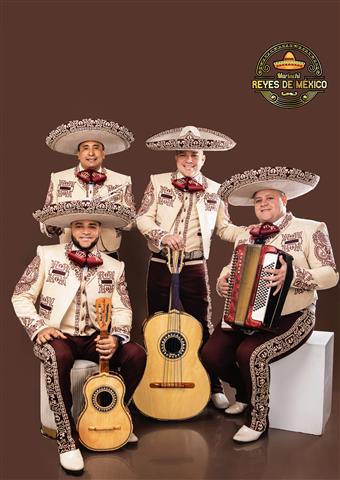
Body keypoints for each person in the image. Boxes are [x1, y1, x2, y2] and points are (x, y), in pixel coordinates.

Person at [200, 166, 338, 443]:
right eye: (258, 200)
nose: (263, 204)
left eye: (270, 199)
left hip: (293, 314)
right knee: (211, 355)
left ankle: (258, 418)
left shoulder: (311, 229)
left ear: (283, 201)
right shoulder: (246, 235)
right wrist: (222, 282)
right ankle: (242, 393)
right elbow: (231, 269)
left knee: (252, 354)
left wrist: (294, 275)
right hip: (245, 313)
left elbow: (331, 274)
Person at [12, 200, 146, 473]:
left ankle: (117, 413)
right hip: (58, 336)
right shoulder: (47, 255)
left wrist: (117, 338)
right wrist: (38, 326)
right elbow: (21, 295)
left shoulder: (113, 266)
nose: (86, 231)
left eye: (92, 226)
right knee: (56, 354)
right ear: (70, 228)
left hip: (96, 337)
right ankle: (67, 438)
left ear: (100, 230)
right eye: (79, 225)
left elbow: (123, 308)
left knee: (136, 354)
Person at [136, 125, 245, 409]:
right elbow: (142, 219)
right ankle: (152, 381)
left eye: (194, 155)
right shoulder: (157, 182)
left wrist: (249, 232)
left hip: (196, 264)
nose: (189, 160)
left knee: (202, 325)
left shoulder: (216, 190)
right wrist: (162, 235)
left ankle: (213, 386)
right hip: (161, 262)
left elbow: (225, 228)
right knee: (156, 323)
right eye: (183, 155)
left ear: (204, 157)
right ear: (175, 158)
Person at [41, 118, 136, 257]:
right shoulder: (58, 178)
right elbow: (46, 216)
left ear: (103, 154)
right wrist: (50, 226)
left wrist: (109, 213)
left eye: (96, 148)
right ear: (78, 154)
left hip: (107, 251)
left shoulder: (123, 180)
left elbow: (132, 221)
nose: (91, 153)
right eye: (85, 148)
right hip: (69, 249)